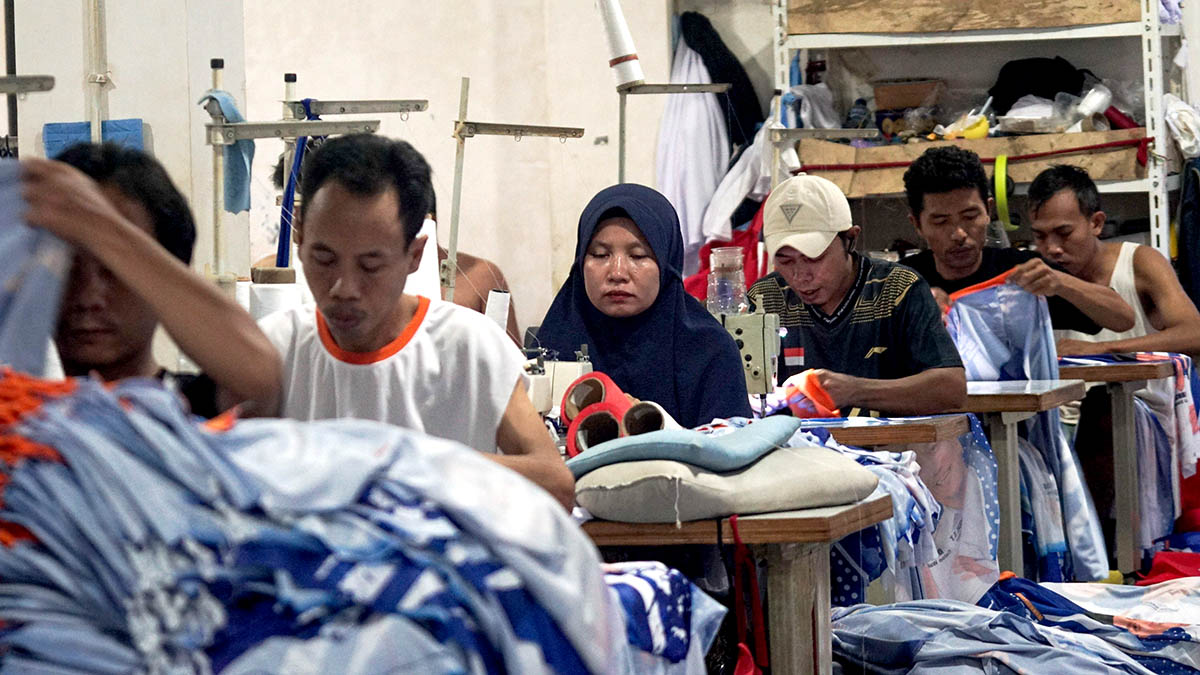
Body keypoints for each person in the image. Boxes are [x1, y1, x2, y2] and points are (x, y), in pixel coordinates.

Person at [257, 133, 574, 508]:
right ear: (299, 236)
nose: (344, 288)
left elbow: (556, 485)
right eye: (324, 259)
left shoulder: (468, 346)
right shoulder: (276, 348)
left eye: (370, 266)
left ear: (415, 255)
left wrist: (415, 462)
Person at [21, 142, 281, 417]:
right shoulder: (21, 417)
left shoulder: (194, 407)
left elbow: (259, 378)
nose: (88, 298)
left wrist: (99, 225)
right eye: (68, 269)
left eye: (116, 268)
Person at [747, 174, 966, 415]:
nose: (800, 276)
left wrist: (854, 391)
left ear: (850, 239)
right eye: (785, 260)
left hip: (890, 439)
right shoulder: (766, 298)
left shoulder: (897, 290)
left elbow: (951, 389)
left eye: (814, 258)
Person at [538, 183, 752, 428]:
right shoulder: (552, 347)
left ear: (666, 263)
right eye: (600, 254)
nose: (617, 273)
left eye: (638, 256)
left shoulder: (710, 352)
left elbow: (732, 445)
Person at [901, 146, 1135, 334]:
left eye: (970, 216)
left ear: (988, 211)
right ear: (917, 224)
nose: (959, 234)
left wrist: (1061, 282)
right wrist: (911, 309)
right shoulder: (898, 284)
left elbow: (1123, 318)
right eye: (941, 221)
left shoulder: (1022, 273)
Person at [1030, 164, 1200, 358]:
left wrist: (1103, 349)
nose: (1052, 248)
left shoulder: (1139, 262)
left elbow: (1194, 334)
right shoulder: (1033, 275)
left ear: (1096, 223)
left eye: (1064, 233)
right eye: (1040, 236)